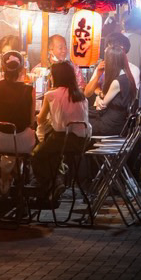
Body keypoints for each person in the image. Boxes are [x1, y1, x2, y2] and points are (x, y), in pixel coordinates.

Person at [31, 61, 90, 199]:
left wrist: (37, 116)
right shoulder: (80, 95)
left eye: (51, 75)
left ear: (56, 77)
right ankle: (57, 179)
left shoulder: (51, 95)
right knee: (50, 151)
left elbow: (40, 119)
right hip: (82, 140)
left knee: (37, 155)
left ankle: (51, 184)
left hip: (62, 140)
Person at [0, 51, 36, 194]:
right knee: (22, 146)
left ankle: (6, 176)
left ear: (2, 68)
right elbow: (32, 121)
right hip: (23, 141)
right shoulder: (30, 89)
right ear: (21, 70)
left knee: (5, 151)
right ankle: (15, 174)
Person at [85, 38, 137, 136]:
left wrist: (98, 98)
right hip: (118, 121)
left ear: (112, 61)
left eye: (106, 59)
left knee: (81, 123)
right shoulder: (126, 77)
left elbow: (102, 105)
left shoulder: (117, 82)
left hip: (110, 125)